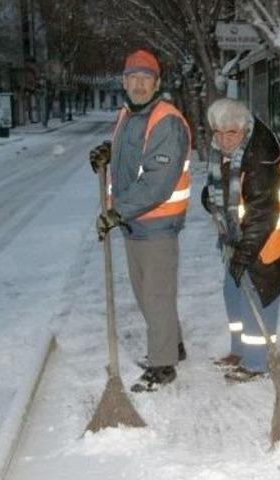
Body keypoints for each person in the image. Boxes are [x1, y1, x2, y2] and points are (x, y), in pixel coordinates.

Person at [92, 49, 191, 392]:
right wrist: (109, 151)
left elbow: (157, 182)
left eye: (145, 78)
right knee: (150, 294)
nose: (138, 84)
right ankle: (173, 345)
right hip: (136, 224)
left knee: (156, 296)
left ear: (157, 82)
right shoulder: (130, 114)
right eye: (132, 77)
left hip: (156, 225)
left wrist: (117, 212)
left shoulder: (166, 120)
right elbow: (134, 155)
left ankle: (163, 366)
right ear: (123, 81)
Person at [200, 98, 280, 383]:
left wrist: (244, 255)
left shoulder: (260, 160)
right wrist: (213, 199)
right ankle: (240, 350)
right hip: (239, 237)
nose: (223, 140)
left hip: (268, 243)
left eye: (230, 133)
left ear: (244, 130)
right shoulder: (226, 149)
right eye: (217, 133)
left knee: (258, 300)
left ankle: (258, 363)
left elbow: (262, 216)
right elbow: (225, 188)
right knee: (233, 293)